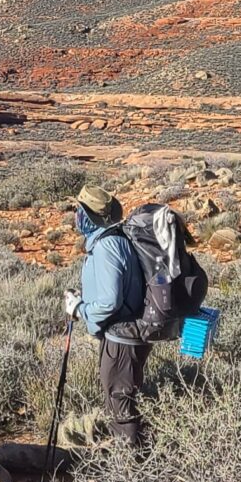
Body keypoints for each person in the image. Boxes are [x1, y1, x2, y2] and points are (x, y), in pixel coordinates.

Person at [71, 184, 151, 451]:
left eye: (79, 211)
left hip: (121, 339)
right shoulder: (114, 240)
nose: (76, 215)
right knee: (122, 398)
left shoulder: (107, 246)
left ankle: (130, 470)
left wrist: (79, 310)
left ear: (88, 217)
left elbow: (109, 301)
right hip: (125, 335)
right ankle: (136, 456)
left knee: (120, 402)